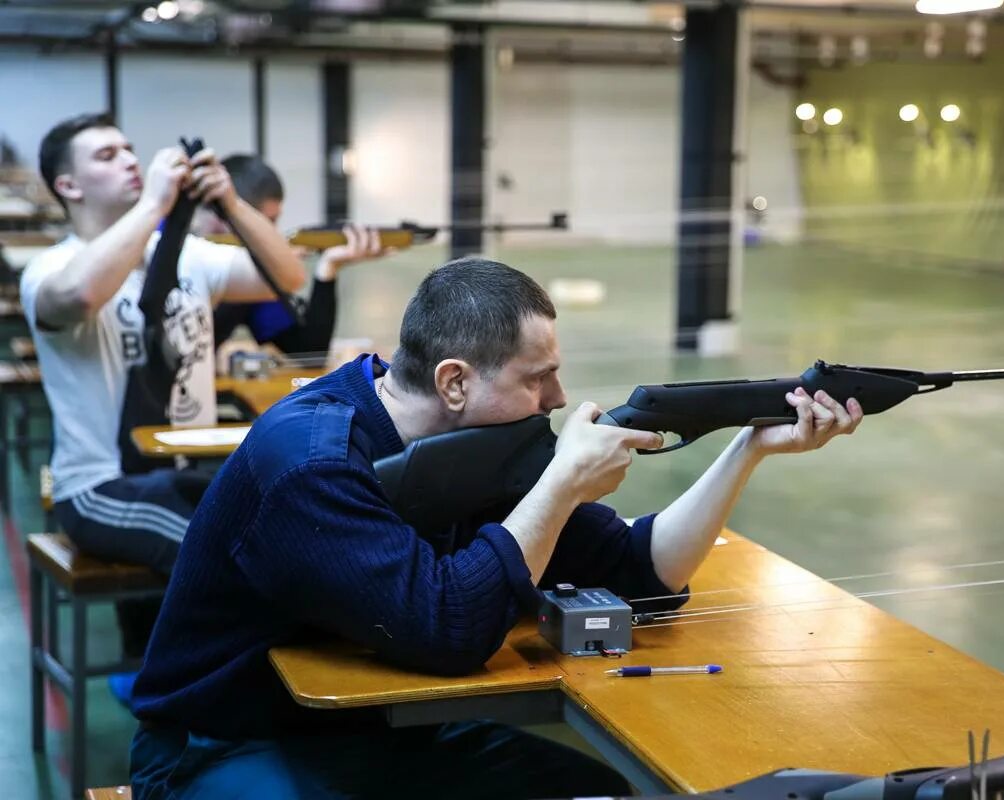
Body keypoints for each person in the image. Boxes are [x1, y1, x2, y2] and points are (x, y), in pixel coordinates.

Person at [129, 258, 864, 799]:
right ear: (454, 381)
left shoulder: (473, 448)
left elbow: (640, 572)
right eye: (535, 378)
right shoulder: (313, 462)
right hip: (212, 751)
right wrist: (560, 485)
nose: (558, 396)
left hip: (358, 734)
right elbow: (447, 628)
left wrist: (747, 451)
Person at [20, 113, 306, 660]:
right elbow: (78, 298)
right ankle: (196, 707)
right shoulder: (51, 268)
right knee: (213, 550)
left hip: (184, 472)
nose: (128, 159)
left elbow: (289, 277)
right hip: (100, 487)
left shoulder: (190, 258)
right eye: (106, 155)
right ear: (68, 186)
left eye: (128, 149)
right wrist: (154, 205)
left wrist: (230, 204)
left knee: (291, 523)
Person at [194, 154, 387, 355]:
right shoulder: (170, 245)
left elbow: (308, 350)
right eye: (264, 224)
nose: (273, 235)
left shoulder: (254, 278)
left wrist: (328, 268)